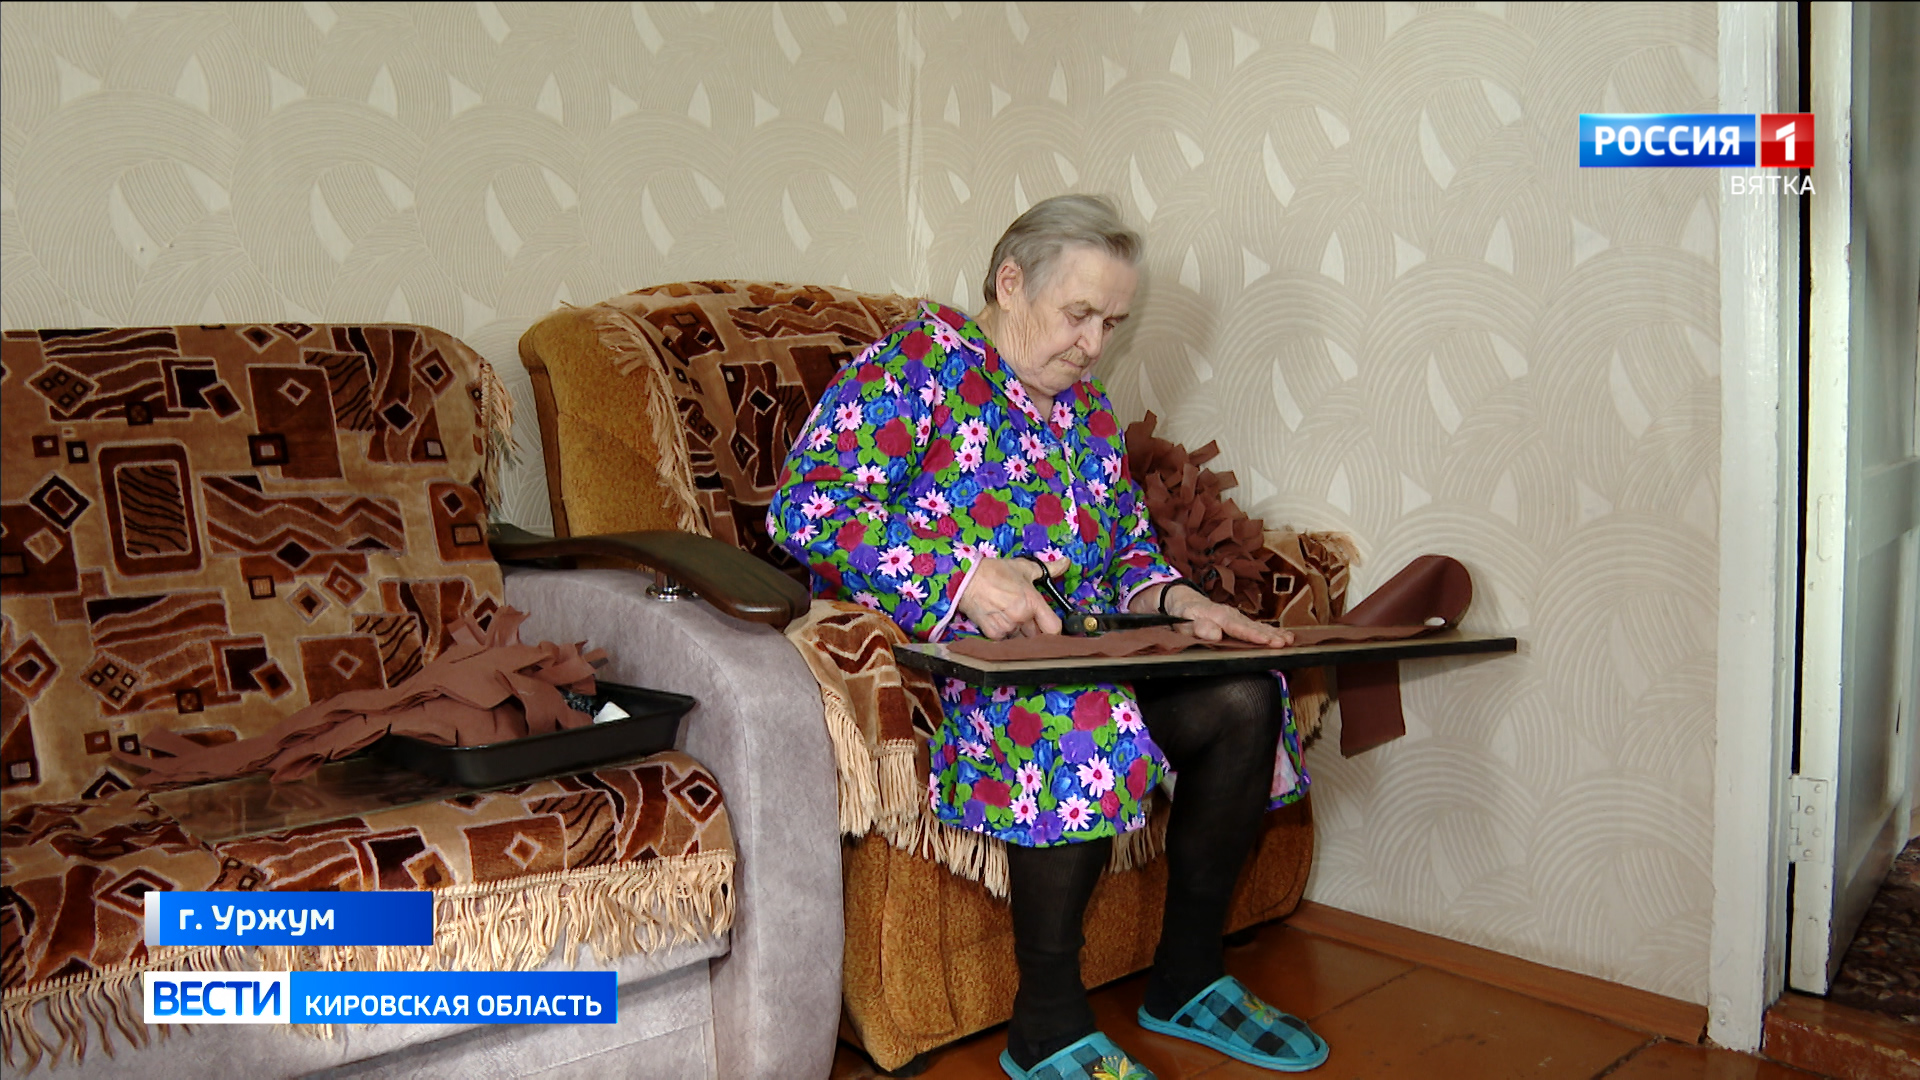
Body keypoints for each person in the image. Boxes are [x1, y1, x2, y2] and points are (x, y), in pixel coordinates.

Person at [768, 195, 1329, 1079]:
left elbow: (1125, 549)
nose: (1095, 344)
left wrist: (1184, 602)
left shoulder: (1089, 413)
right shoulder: (918, 366)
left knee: (1244, 697)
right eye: (1079, 314)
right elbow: (806, 507)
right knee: (1078, 712)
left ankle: (1187, 978)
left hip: (1085, 650)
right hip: (963, 664)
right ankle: (1048, 1026)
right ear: (1010, 282)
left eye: (1112, 323)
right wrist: (966, 577)